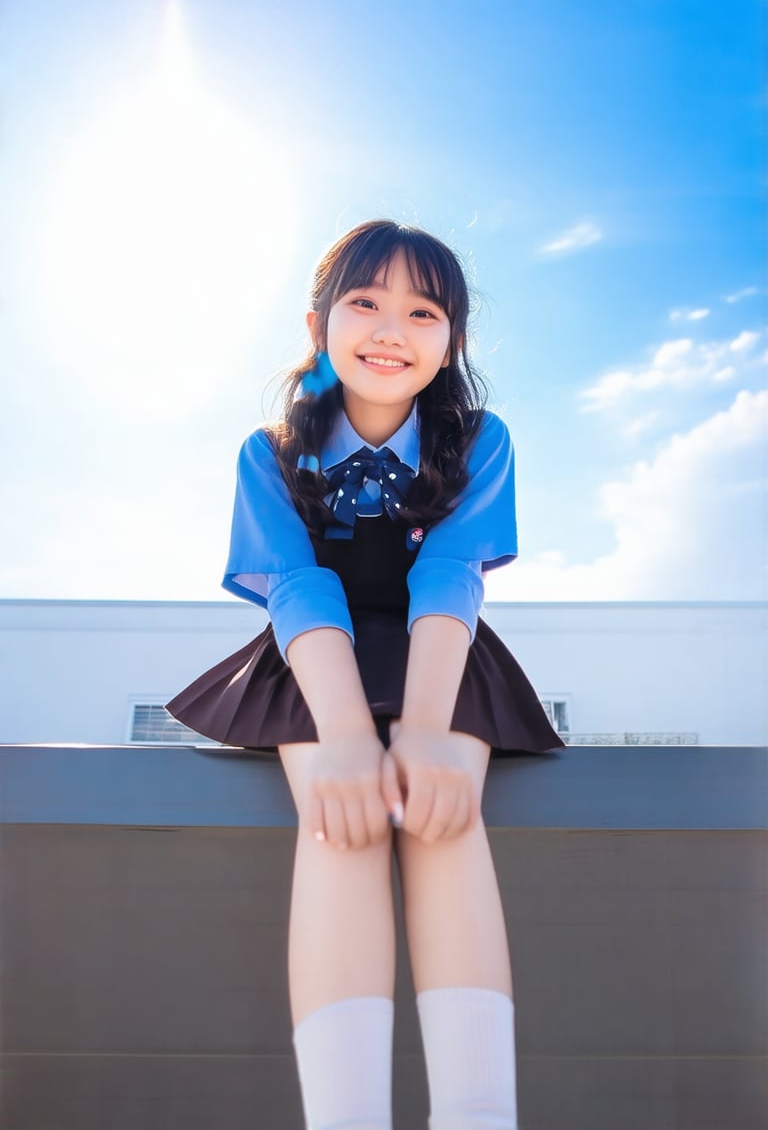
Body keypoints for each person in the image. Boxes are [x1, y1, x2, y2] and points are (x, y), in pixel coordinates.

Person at [167, 219, 564, 1130]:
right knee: (338, 827)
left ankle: (478, 1115)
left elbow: (450, 573)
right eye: (365, 302)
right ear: (319, 326)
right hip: (316, 662)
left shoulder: (479, 439)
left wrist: (423, 731)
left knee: (443, 818)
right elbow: (297, 586)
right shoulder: (270, 451)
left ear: (452, 342)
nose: (392, 329)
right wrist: (346, 736)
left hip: (440, 650)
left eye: (423, 311)